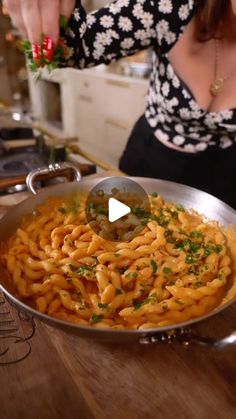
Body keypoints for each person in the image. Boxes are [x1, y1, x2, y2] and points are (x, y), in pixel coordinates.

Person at [4, 0, 236, 209]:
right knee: (118, 239)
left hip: (225, 180)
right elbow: (75, 48)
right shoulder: (172, 7)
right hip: (149, 162)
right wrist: (52, 20)